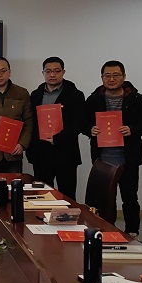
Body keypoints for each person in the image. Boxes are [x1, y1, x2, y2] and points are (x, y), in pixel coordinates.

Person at [84, 60, 142, 237]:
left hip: (128, 158)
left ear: (124, 77)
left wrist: (133, 129)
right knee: (105, 199)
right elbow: (82, 121)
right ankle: (107, 230)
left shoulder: (136, 99)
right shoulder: (94, 99)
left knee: (130, 197)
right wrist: (90, 130)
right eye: (107, 75)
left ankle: (132, 231)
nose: (111, 79)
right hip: (103, 159)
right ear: (102, 78)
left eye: (116, 75)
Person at [26, 57, 85, 199]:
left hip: (66, 154)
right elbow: (31, 122)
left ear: (63, 72)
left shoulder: (75, 95)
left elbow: (79, 123)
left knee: (67, 196)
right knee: (41, 196)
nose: (52, 75)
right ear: (43, 73)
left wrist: (58, 138)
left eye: (56, 71)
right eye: (48, 71)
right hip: (41, 154)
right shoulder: (35, 95)